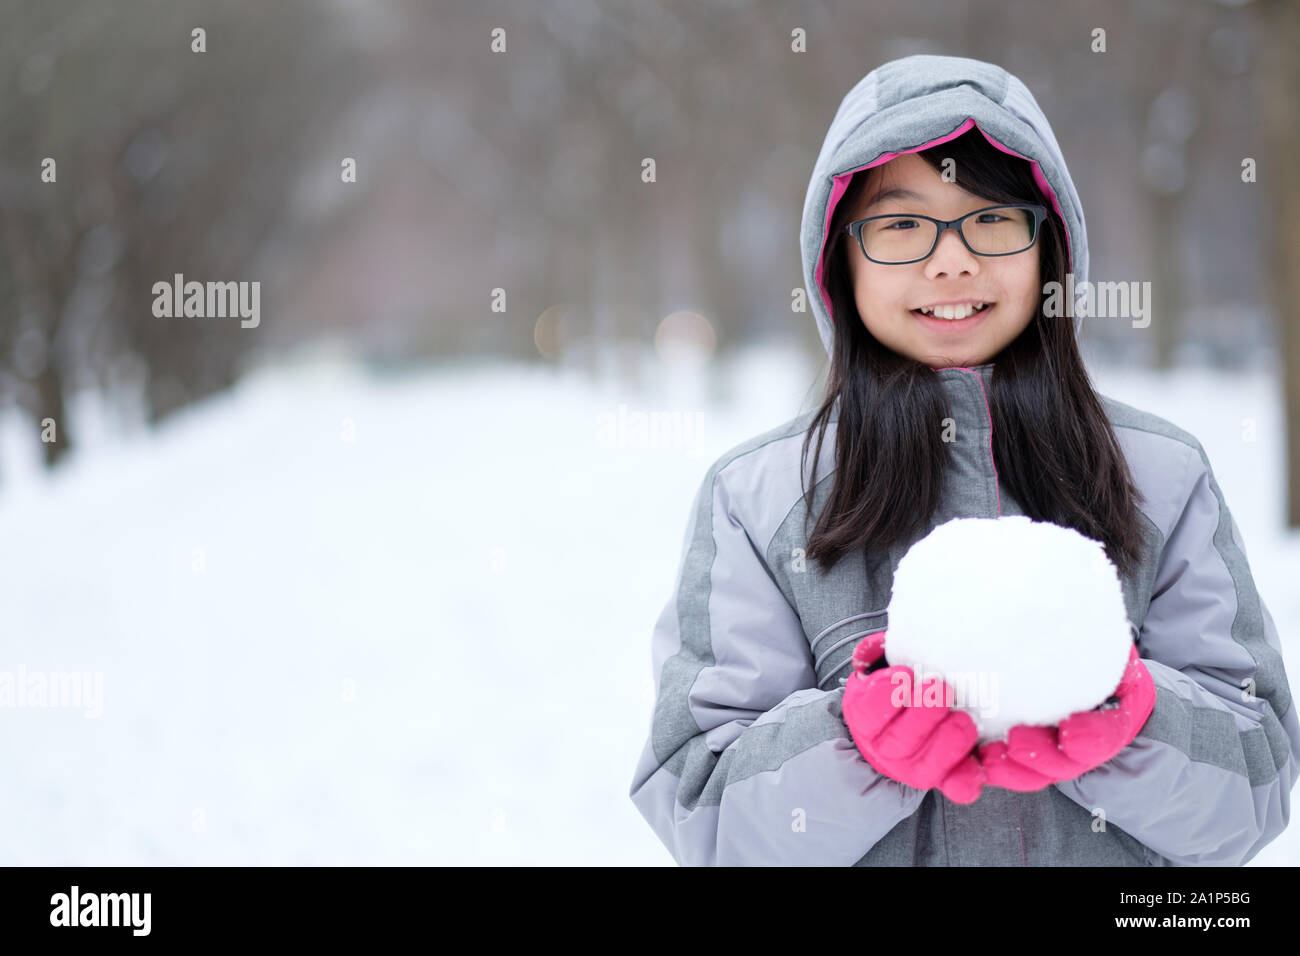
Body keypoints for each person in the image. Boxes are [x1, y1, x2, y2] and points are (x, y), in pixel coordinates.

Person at [626, 53, 1300, 866]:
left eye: (991, 219)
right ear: (839, 259)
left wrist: (1133, 722)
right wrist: (854, 742)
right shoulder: (760, 499)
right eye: (902, 225)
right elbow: (700, 803)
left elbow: (1257, 785)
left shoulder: (1161, 474)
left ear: (1050, 248)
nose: (952, 260)